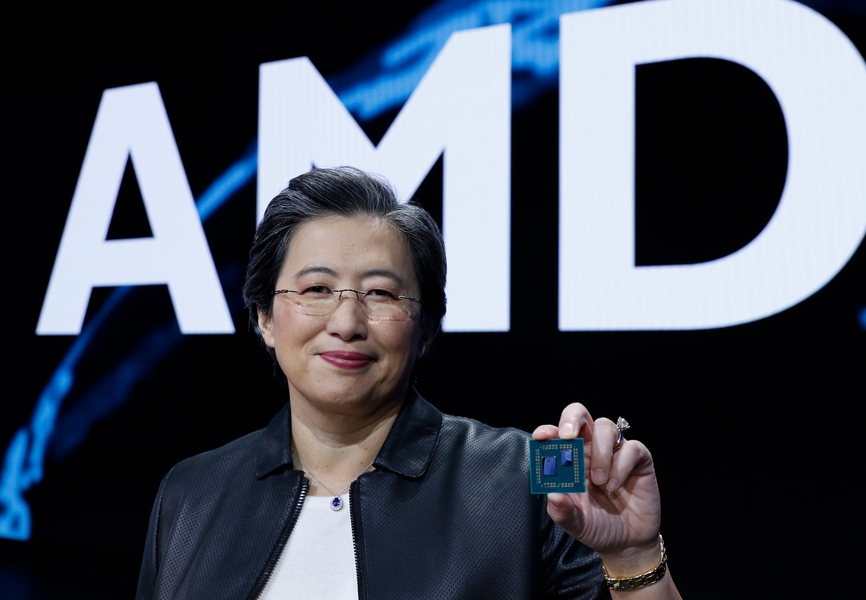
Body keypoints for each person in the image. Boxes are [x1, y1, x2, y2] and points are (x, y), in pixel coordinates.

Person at [136, 167, 682, 600]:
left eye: (380, 294)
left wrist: (633, 559)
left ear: (426, 328)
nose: (347, 323)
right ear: (265, 318)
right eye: (317, 288)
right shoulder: (192, 492)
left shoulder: (527, 477)